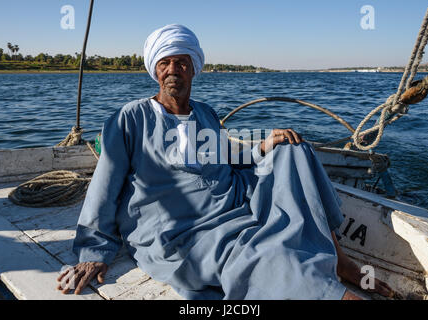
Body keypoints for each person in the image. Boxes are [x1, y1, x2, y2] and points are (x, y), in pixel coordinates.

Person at [57, 24, 393, 300]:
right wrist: (92, 252)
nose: (173, 70)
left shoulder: (205, 113)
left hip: (231, 199)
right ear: (155, 70)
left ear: (193, 68)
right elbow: (105, 185)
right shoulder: (130, 118)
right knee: (261, 255)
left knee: (293, 149)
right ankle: (332, 294)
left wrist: (263, 146)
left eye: (181, 62)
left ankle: (339, 258)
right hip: (182, 228)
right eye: (165, 63)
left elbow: (225, 154)